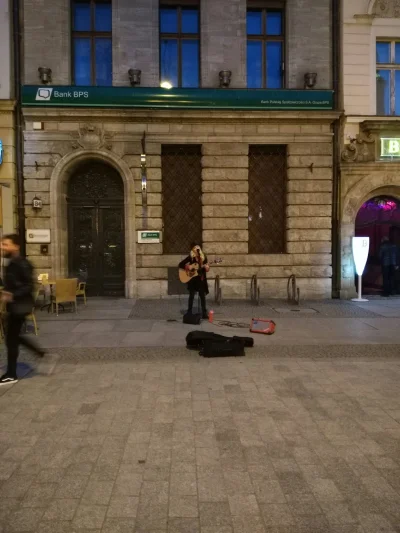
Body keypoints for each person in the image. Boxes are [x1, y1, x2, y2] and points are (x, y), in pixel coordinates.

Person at [0, 234, 45, 385]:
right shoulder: (11, 263)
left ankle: (11, 374)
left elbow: (29, 286)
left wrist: (11, 294)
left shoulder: (22, 263)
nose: (2, 247)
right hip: (15, 306)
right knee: (14, 337)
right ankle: (39, 353)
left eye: (5, 244)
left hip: (20, 306)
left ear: (15, 246)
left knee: (11, 339)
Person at [179, 242, 210, 319]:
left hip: (201, 279)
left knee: (202, 296)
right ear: (193, 250)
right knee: (191, 296)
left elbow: (207, 268)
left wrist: (207, 268)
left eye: (198, 248)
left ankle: (204, 313)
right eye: (195, 249)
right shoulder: (190, 257)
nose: (197, 250)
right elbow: (180, 264)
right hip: (193, 279)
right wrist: (187, 266)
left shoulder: (204, 257)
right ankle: (189, 311)